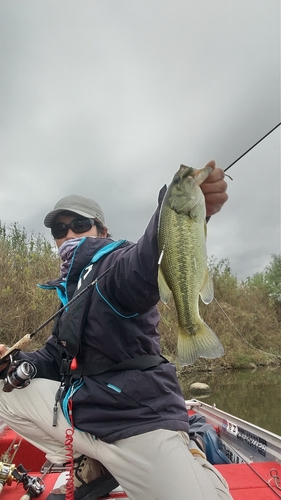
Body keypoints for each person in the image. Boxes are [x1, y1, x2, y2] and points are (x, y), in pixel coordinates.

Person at [0, 161, 233, 500]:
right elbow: (56, 354)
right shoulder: (70, 287)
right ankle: (90, 463)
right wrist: (15, 363)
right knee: (4, 393)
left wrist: (176, 207)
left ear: (102, 231)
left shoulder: (114, 264)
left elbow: (143, 260)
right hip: (88, 411)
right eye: (59, 230)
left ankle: (191, 452)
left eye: (79, 224)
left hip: (138, 418)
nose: (68, 234)